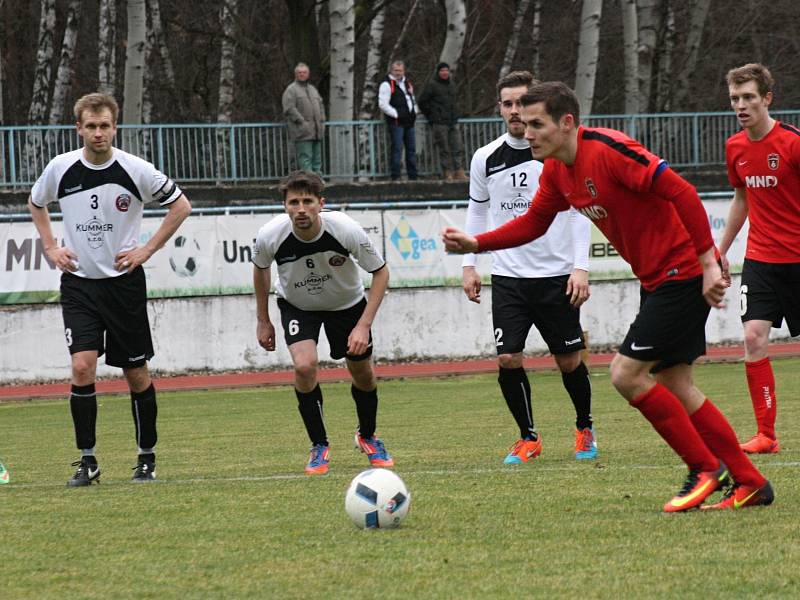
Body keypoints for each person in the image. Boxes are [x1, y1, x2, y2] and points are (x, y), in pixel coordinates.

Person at [442, 81, 773, 511]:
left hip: (682, 273)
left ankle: (704, 467)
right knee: (676, 383)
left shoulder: (608, 150)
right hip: (657, 279)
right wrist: (476, 245)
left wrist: (709, 262)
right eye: (523, 124)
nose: (527, 133)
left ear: (567, 123)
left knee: (625, 374)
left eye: (537, 124)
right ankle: (749, 482)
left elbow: (682, 191)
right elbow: (532, 224)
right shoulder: (558, 172)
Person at [28, 92, 192, 486]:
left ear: (114, 127)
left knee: (135, 372)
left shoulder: (135, 170)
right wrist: (51, 246)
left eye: (104, 126)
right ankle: (88, 461)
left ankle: (146, 458)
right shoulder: (61, 168)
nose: (98, 133)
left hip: (124, 286)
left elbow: (181, 205)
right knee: (82, 366)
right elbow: (36, 203)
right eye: (91, 126)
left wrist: (146, 250)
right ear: (78, 128)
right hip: (79, 285)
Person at [461, 71, 595, 464]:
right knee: (507, 358)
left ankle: (584, 427)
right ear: (500, 109)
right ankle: (528, 437)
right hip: (509, 278)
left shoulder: (557, 153)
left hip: (556, 276)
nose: (516, 111)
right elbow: (477, 211)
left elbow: (578, 213)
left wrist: (580, 267)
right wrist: (469, 264)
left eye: (522, 102)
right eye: (508, 103)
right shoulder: (485, 158)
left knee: (569, 360)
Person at [252, 170, 393, 475]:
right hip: (298, 306)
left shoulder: (345, 229)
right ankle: (319, 446)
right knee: (304, 366)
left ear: (321, 204)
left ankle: (367, 436)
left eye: (307, 201)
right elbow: (261, 269)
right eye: (293, 203)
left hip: (347, 305)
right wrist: (263, 320)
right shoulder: (270, 235)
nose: (300, 209)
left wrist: (363, 325)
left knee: (362, 372)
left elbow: (381, 272)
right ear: (284, 206)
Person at [719, 63, 800, 455]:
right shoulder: (735, 147)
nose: (741, 105)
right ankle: (766, 435)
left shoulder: (793, 144)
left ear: (767, 98)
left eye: (749, 97)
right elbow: (742, 199)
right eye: (735, 98)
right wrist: (721, 249)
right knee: (753, 337)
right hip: (761, 259)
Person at [418, 62, 467, 181]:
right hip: (439, 122)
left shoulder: (452, 85)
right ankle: (447, 172)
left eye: (447, 70)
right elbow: (422, 101)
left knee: (458, 147)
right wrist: (431, 116)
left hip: (452, 121)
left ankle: (459, 171)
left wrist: (456, 113)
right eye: (442, 70)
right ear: (438, 72)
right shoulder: (432, 85)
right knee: (444, 149)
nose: (445, 73)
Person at [282, 62, 326, 173]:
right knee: (305, 159)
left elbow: (320, 105)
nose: (302, 74)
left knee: (317, 159)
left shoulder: (312, 89)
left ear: (308, 74)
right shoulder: (291, 90)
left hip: (317, 130)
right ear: (295, 74)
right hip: (302, 132)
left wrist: (322, 120)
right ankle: (309, 182)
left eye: (304, 72)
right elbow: (289, 108)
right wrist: (301, 122)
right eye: (299, 72)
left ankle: (318, 181)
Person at [378, 61, 418, 181]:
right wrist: (396, 114)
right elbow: (382, 104)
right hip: (396, 123)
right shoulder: (386, 85)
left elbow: (412, 99)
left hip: (409, 122)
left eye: (400, 71)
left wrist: (414, 111)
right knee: (397, 149)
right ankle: (395, 175)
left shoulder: (407, 83)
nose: (398, 73)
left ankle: (413, 175)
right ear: (391, 70)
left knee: (411, 149)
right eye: (396, 70)